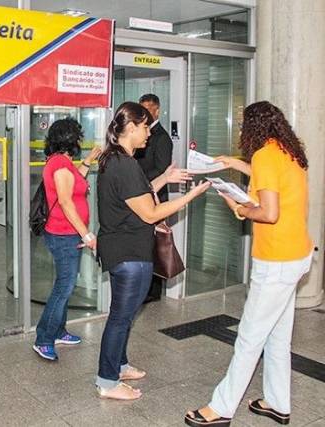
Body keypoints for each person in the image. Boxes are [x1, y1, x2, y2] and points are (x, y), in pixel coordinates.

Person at [185, 101, 313, 427]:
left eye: (244, 125)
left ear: (255, 128)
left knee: (249, 336)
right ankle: (277, 402)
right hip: (296, 255)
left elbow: (269, 213)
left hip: (276, 261)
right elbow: (270, 181)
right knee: (278, 337)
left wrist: (241, 209)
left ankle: (221, 408)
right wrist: (235, 165)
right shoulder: (286, 152)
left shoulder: (265, 156)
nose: (241, 131)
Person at [96, 102, 209, 400]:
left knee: (123, 314)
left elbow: (137, 195)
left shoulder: (115, 159)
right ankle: (107, 382)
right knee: (121, 317)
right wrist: (192, 196)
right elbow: (149, 212)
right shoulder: (125, 164)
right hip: (129, 253)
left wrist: (164, 179)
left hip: (122, 250)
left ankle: (118, 365)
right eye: (145, 126)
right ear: (131, 128)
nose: (149, 132)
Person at [32, 117, 100, 361]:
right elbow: (65, 201)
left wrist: (89, 161)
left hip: (67, 234)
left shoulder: (63, 162)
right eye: (78, 137)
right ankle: (43, 338)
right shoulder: (60, 164)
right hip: (64, 235)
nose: (80, 140)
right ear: (70, 139)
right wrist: (87, 233)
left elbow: (75, 182)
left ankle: (58, 331)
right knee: (64, 287)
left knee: (65, 285)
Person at [136, 94, 174, 303]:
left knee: (154, 243)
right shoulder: (142, 134)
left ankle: (153, 291)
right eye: (142, 108)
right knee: (144, 243)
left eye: (149, 109)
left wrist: (137, 182)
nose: (145, 113)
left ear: (157, 111)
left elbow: (161, 169)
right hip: (140, 195)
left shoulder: (162, 137)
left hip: (155, 196)